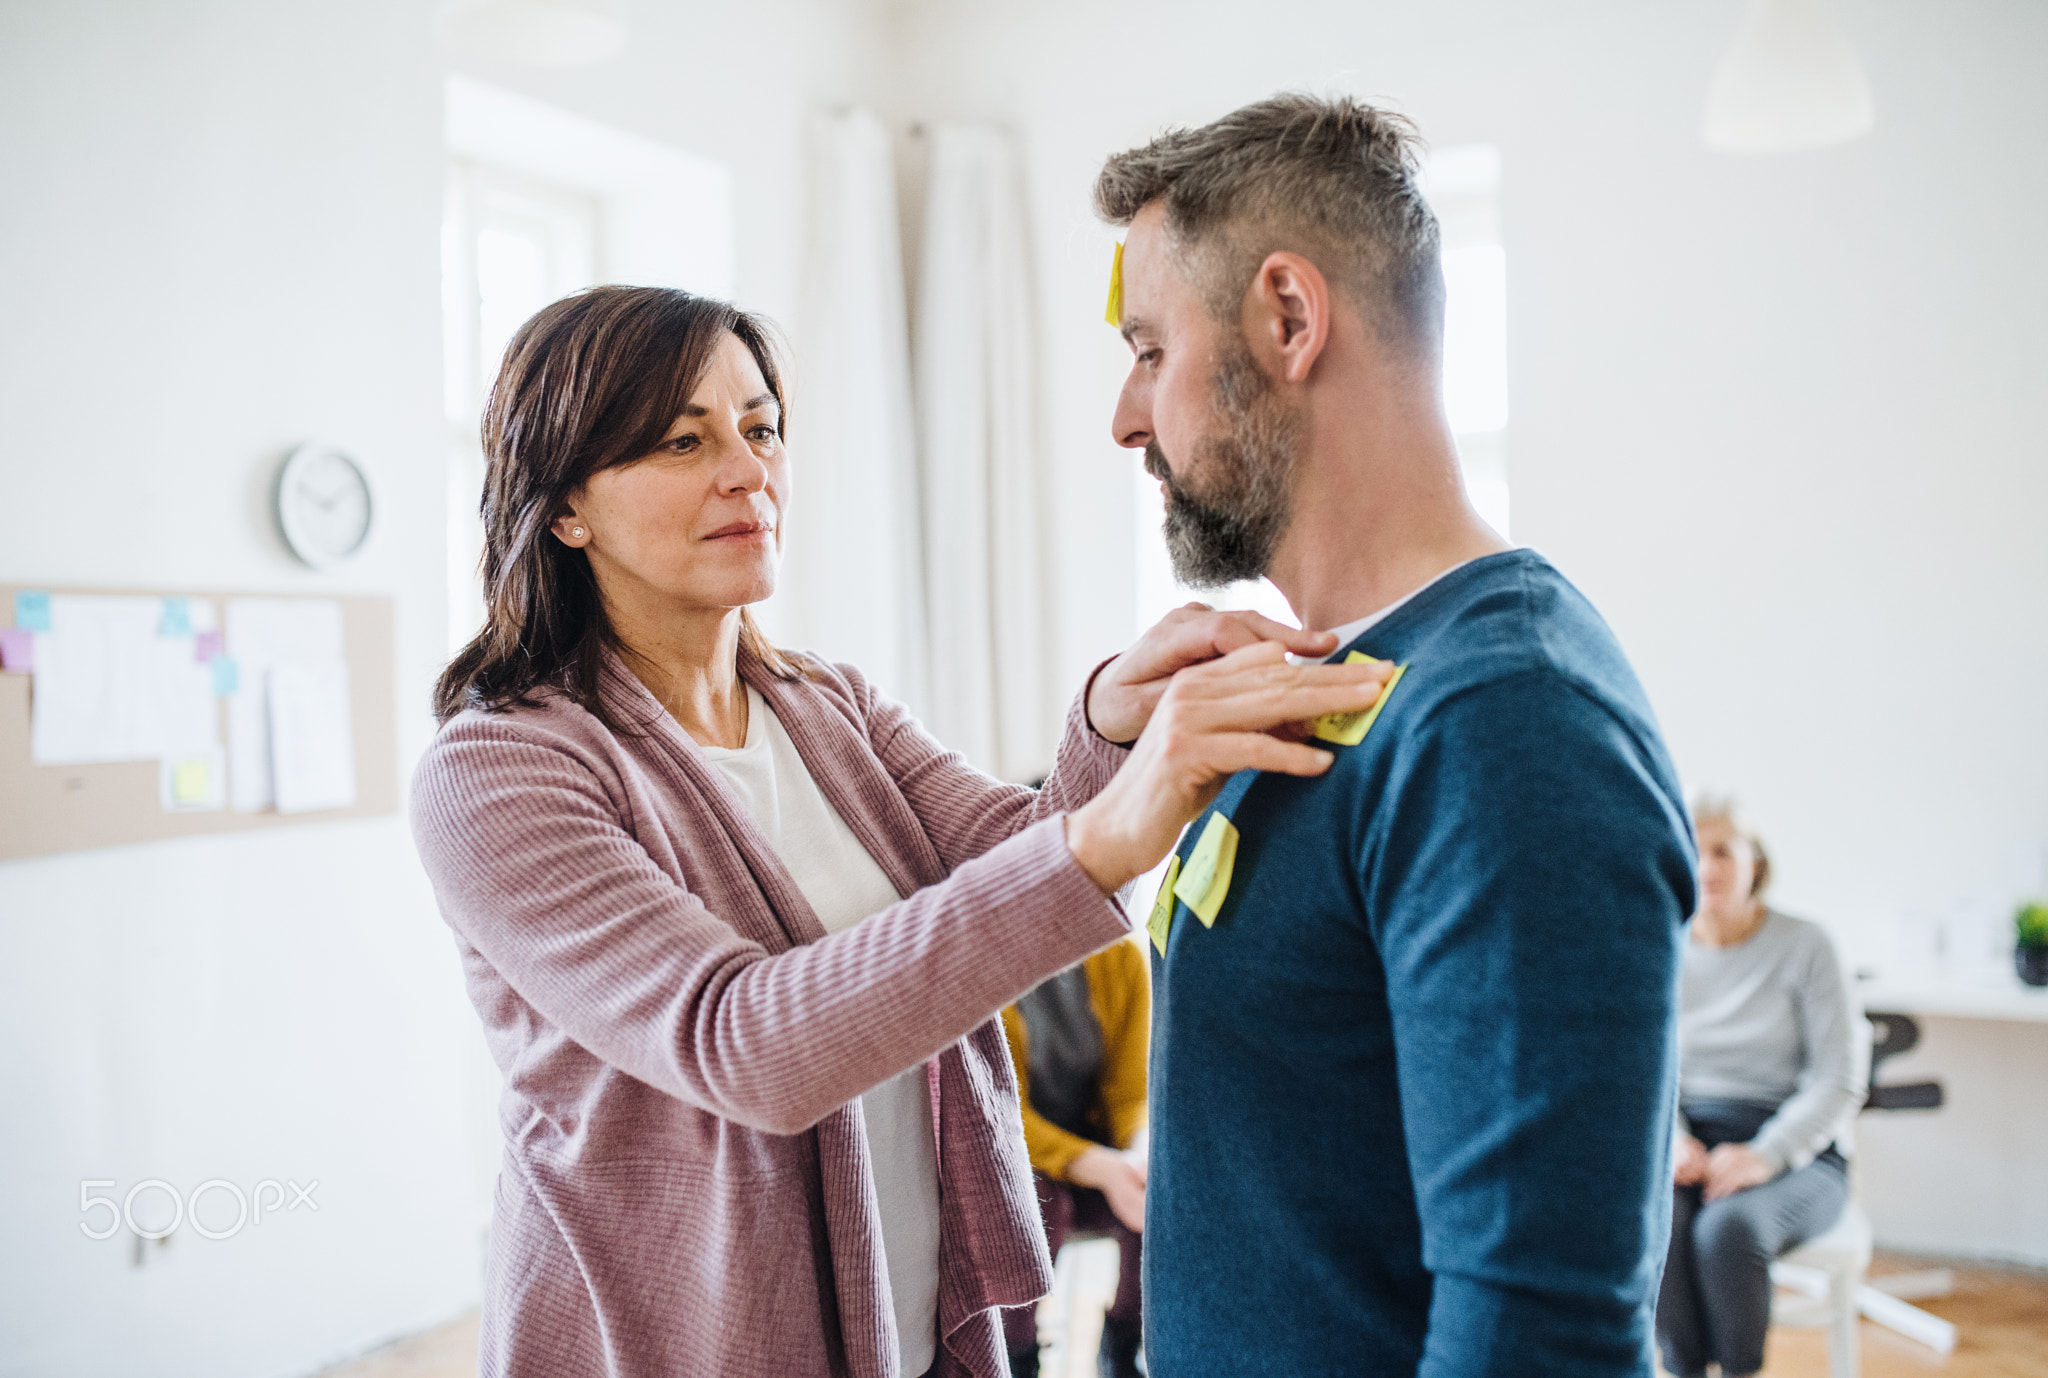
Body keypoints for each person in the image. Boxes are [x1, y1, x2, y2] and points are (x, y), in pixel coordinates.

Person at [409, 285, 1392, 1378]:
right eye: (683, 441)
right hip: (680, 1341)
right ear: (564, 508)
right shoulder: (497, 772)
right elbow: (748, 1046)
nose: (747, 469)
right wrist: (1109, 827)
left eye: (760, 426)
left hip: (914, 1313)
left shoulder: (829, 706)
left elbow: (1023, 856)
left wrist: (1110, 717)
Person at [1094, 95, 1698, 1376]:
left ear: (1288, 319)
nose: (1125, 418)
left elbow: (1538, 1338)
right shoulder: (1326, 680)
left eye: (1150, 350)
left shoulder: (1502, 717)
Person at [1656, 800, 1865, 1378]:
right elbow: (1644, 1067)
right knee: (1659, 1223)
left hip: (1799, 1153)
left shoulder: (1807, 945)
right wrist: (1670, 1139)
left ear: (1757, 863)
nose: (1706, 866)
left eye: (1723, 849)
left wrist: (1766, 1154)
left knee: (1730, 1230)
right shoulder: (1660, 947)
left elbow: (1839, 1079)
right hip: (1693, 1142)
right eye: (1693, 849)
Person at [998, 941, 1151, 1378]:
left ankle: (1124, 1349)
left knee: (1159, 1186)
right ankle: (1016, 1356)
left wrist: (1137, 1157)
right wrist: (1101, 1167)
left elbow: (1129, 1093)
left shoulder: (1120, 958)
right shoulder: (986, 967)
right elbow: (1002, 1114)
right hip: (1013, 1149)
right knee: (1042, 1206)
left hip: (1089, 1139)